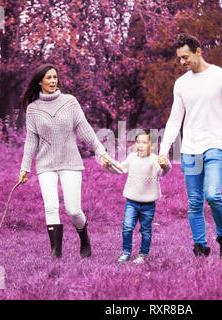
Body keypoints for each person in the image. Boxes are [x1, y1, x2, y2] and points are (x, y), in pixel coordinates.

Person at [158, 34, 222, 259]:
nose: (182, 62)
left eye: (185, 57)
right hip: (190, 149)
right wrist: (164, 149)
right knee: (195, 201)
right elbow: (175, 119)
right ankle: (200, 248)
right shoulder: (181, 84)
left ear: (198, 51)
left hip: (216, 145)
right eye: (179, 59)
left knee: (212, 194)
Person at [18, 63, 115, 259]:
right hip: (46, 165)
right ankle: (55, 251)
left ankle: (84, 237)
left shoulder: (70, 102)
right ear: (40, 82)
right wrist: (25, 168)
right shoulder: (33, 109)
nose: (53, 81)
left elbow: (84, 129)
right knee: (51, 206)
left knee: (73, 210)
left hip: (70, 162)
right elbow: (31, 141)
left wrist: (101, 151)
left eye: (55, 77)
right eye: (48, 78)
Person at [103, 129, 171, 263]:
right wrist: (108, 166)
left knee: (145, 230)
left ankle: (143, 255)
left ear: (151, 146)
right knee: (127, 227)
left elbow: (163, 171)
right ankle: (126, 252)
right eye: (138, 142)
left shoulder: (154, 160)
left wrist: (166, 164)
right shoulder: (132, 158)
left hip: (148, 204)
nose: (140, 145)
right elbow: (120, 169)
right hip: (131, 202)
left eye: (144, 142)